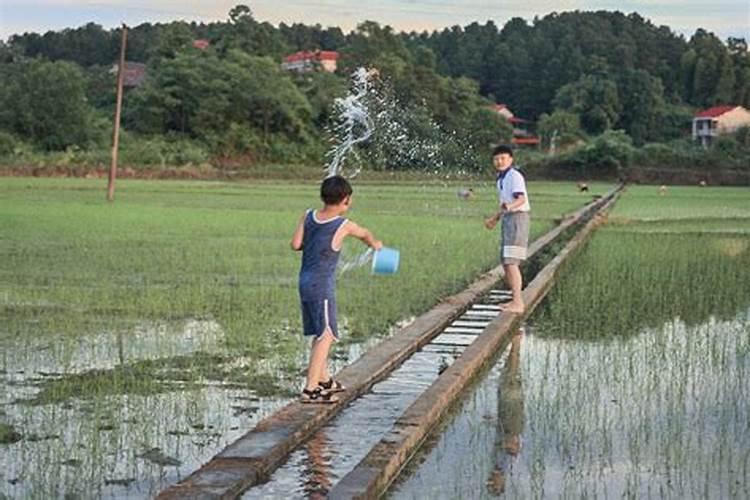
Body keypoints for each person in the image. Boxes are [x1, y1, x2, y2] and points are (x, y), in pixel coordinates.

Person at [291, 175, 383, 403]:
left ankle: (324, 380)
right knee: (327, 334)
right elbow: (364, 233)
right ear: (346, 199)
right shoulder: (344, 225)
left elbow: (295, 245)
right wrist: (376, 245)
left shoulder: (308, 215)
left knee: (320, 333)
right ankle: (310, 389)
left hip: (304, 282)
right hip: (322, 286)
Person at [484, 145, 531, 313]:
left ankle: (518, 303)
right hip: (509, 219)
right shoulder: (501, 179)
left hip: (517, 219)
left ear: (510, 159)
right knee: (506, 262)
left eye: (503, 158)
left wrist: (509, 208)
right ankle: (515, 300)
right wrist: (495, 219)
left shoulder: (514, 176)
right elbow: (505, 204)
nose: (499, 161)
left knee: (511, 262)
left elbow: (521, 199)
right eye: (496, 159)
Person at [487, 331, 525, 495]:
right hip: (512, 421)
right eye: (493, 485)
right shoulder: (504, 466)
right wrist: (506, 442)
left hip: (506, 420)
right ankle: (516, 342)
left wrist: (495, 423)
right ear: (501, 483)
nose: (489, 481)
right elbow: (514, 448)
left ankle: (514, 343)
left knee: (506, 379)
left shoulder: (497, 466)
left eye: (489, 485)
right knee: (510, 381)